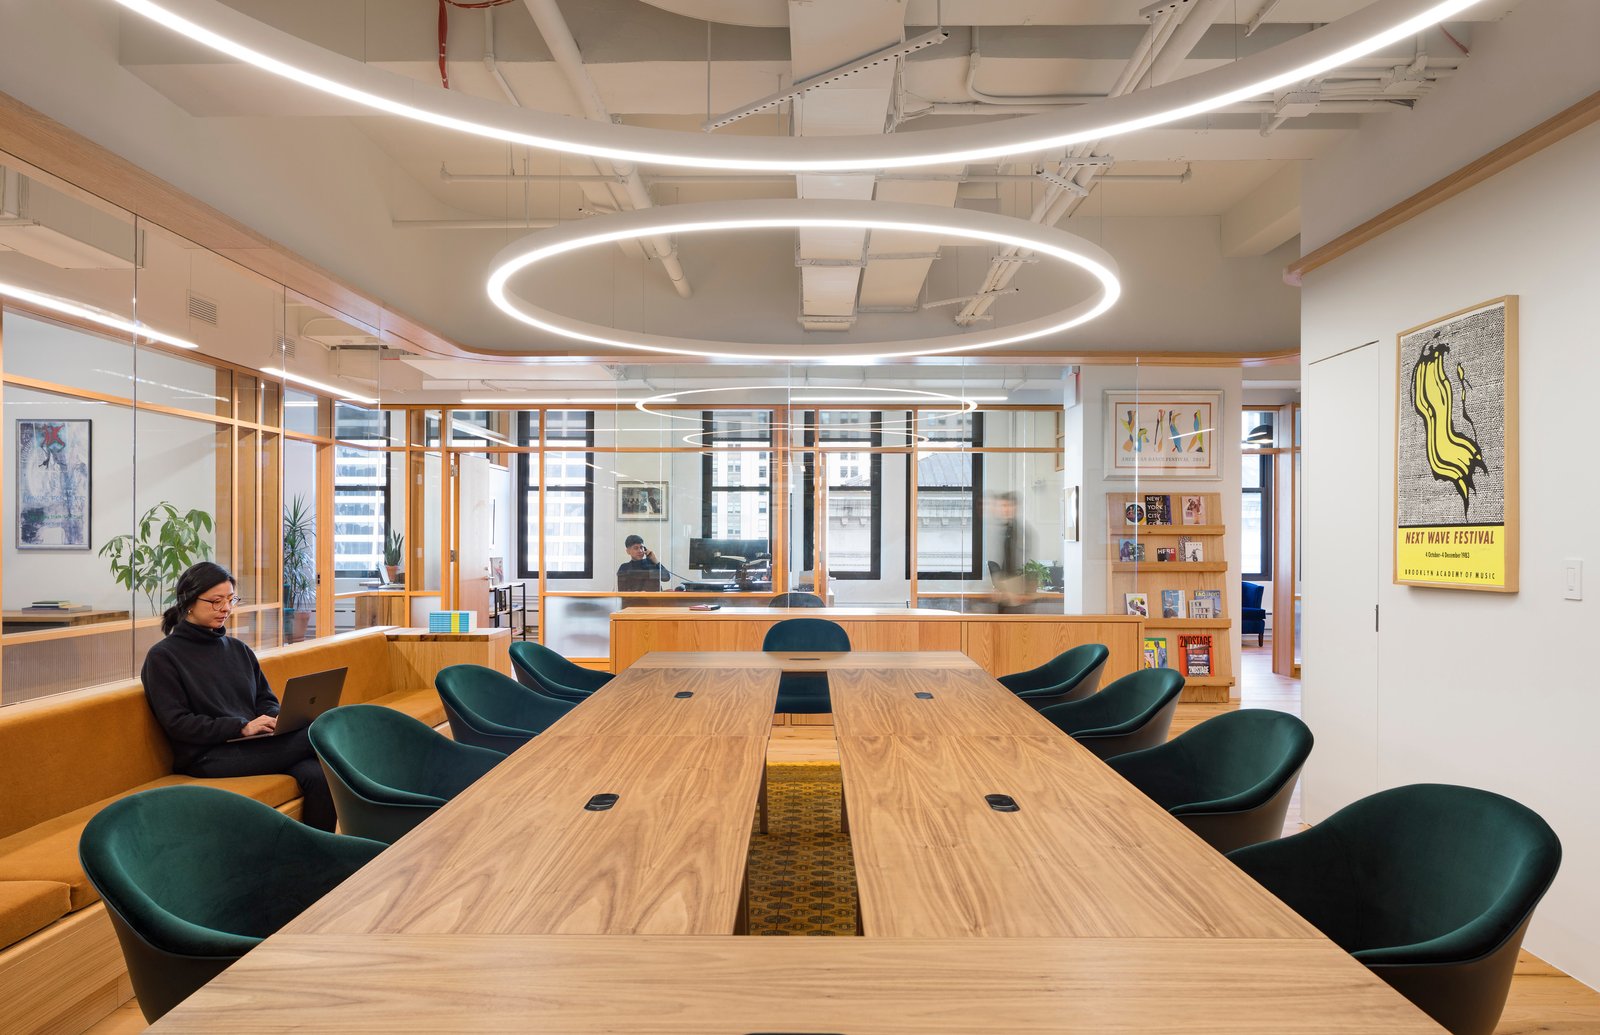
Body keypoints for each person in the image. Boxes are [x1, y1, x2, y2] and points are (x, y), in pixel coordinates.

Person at [140, 561, 335, 831]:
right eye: (216, 601)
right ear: (188, 602)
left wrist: (273, 718)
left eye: (231, 600)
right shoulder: (163, 657)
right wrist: (240, 726)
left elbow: (265, 699)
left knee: (316, 774)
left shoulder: (237, 649)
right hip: (207, 755)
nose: (226, 609)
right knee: (321, 732)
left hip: (252, 744)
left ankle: (322, 862)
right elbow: (178, 723)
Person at [988, 491, 1037, 614]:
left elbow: (1027, 564)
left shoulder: (1022, 532)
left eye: (1008, 506)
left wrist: (1026, 592)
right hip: (1002, 593)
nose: (1005, 510)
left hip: (1017, 594)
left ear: (1015, 507)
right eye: (1003, 506)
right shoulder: (1000, 530)